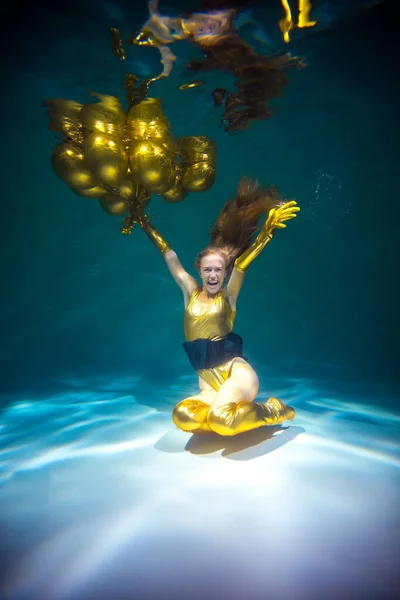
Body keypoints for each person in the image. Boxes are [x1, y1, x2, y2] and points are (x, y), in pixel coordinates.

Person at [134, 177, 299, 436]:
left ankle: (275, 409)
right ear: (199, 271)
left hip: (237, 375)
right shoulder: (190, 292)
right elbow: (170, 257)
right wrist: (145, 223)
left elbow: (243, 265)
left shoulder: (228, 297)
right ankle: (228, 410)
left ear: (225, 273)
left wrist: (267, 234)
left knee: (222, 421)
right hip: (209, 383)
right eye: (208, 270)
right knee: (183, 417)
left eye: (218, 270)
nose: (213, 276)